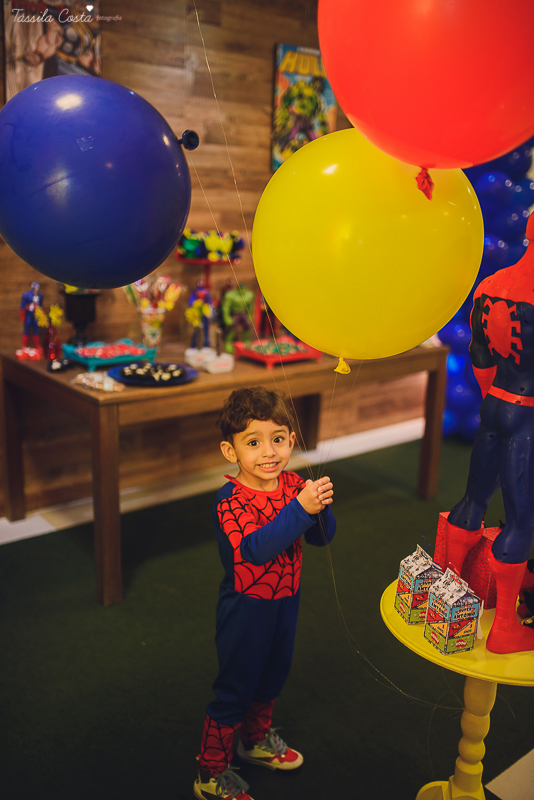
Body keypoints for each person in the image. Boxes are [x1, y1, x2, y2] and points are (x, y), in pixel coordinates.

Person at [194, 387, 336, 800]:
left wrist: (322, 507)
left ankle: (254, 741)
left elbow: (321, 539)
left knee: (273, 674)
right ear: (230, 450)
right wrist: (301, 509)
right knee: (236, 686)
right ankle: (210, 771)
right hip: (245, 611)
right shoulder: (230, 501)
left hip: (285, 604)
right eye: (253, 442)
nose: (268, 452)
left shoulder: (294, 484)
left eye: (278, 439)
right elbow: (254, 551)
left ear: (292, 439)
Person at [443, 212, 534, 654]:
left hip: (495, 403)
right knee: (521, 521)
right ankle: (505, 630)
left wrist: (489, 397)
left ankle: (446, 596)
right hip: (528, 414)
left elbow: (478, 352)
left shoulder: (492, 284)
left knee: (473, 500)